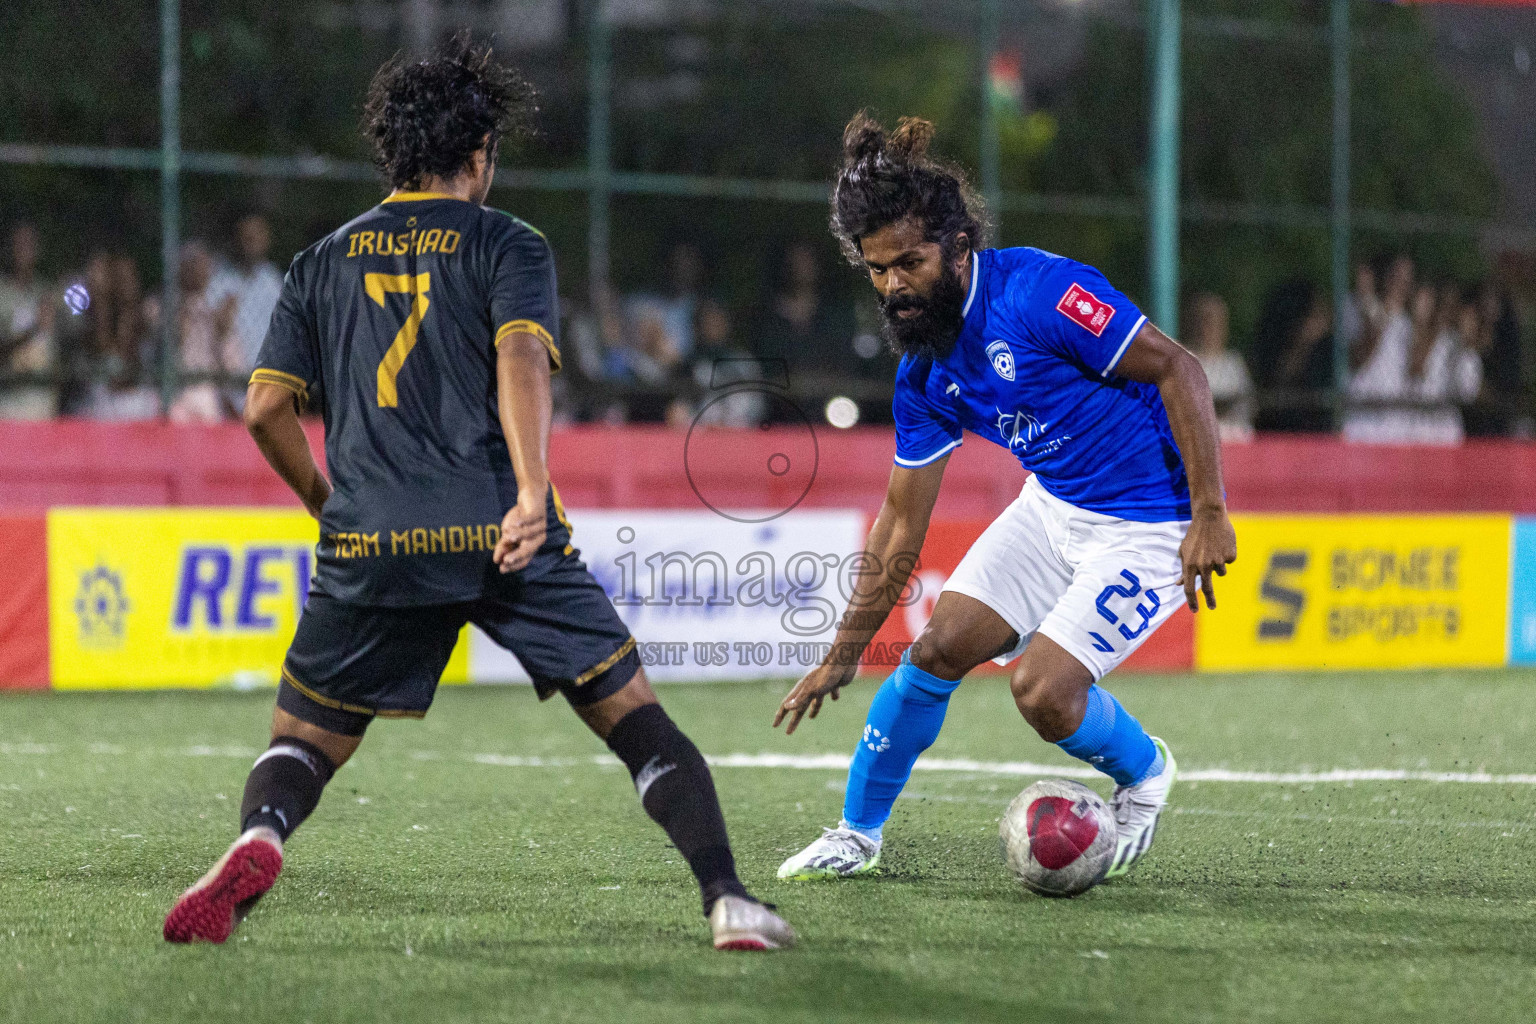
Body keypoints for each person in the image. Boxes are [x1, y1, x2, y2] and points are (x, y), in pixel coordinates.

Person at [162, 38, 793, 952]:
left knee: (303, 739)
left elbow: (263, 409)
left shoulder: (316, 262)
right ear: (481, 151)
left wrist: (324, 502)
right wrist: (533, 491)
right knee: (637, 722)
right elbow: (520, 356)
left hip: (368, 536)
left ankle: (260, 836)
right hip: (501, 527)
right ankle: (729, 900)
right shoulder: (507, 241)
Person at [772, 113, 1235, 881]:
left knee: (1042, 693)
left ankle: (1146, 772)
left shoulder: (1041, 293)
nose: (894, 286)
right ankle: (856, 836)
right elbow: (897, 523)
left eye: (910, 263)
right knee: (935, 648)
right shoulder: (923, 371)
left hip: (1150, 523)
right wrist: (842, 654)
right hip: (1052, 508)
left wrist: (1210, 512)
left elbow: (1180, 368)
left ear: (958, 247)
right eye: (878, 269)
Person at [1249, 279, 1335, 433]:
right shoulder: (1271, 354)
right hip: (1276, 433)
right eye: (1315, 313)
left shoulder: (1328, 355)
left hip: (1316, 435)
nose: (1324, 319)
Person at [208, 212, 285, 373]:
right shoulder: (219, 278)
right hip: (228, 373)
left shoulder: (272, 280)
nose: (252, 242)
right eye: (247, 237)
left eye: (257, 235)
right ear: (236, 239)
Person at [0, 223, 58, 419]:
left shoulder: (48, 292)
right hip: (9, 404)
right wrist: (34, 329)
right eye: (20, 244)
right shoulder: (3, 293)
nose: (25, 250)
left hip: (44, 404)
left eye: (30, 244)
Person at [1182, 291, 1252, 441]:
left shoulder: (1233, 364)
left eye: (1215, 321)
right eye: (1204, 320)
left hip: (1234, 441)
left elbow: (1246, 407)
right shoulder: (1182, 361)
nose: (1209, 327)